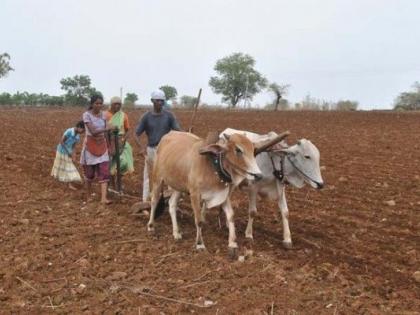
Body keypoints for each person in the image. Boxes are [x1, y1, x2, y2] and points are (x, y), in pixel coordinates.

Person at [135, 90, 181, 202]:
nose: (160, 103)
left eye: (162, 101)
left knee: (170, 174)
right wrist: (141, 148)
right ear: (152, 101)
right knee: (150, 175)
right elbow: (136, 134)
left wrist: (186, 134)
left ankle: (171, 199)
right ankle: (146, 199)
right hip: (151, 150)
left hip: (166, 151)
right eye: (158, 101)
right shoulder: (146, 117)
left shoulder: (169, 116)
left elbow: (178, 130)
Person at [80, 94, 116, 205]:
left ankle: (103, 199)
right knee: (89, 174)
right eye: (96, 103)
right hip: (90, 146)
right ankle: (88, 195)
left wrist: (109, 146)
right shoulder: (86, 115)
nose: (99, 105)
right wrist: (107, 128)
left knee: (104, 172)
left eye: (100, 103)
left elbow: (106, 134)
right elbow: (93, 131)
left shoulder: (104, 115)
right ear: (92, 104)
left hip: (102, 145)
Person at [105, 96, 134, 189]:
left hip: (121, 142)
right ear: (111, 105)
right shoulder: (105, 115)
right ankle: (112, 185)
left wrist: (124, 139)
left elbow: (127, 129)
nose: (117, 106)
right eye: (115, 104)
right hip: (109, 142)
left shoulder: (123, 115)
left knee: (123, 163)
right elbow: (104, 130)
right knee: (110, 165)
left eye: (119, 104)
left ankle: (118, 181)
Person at [51, 120, 85, 190]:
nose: (83, 132)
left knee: (66, 167)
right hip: (61, 151)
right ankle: (68, 184)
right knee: (63, 166)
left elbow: (74, 147)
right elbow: (61, 141)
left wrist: (74, 156)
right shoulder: (69, 131)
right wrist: (68, 152)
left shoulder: (77, 136)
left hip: (68, 153)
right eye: (83, 130)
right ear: (79, 127)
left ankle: (68, 183)